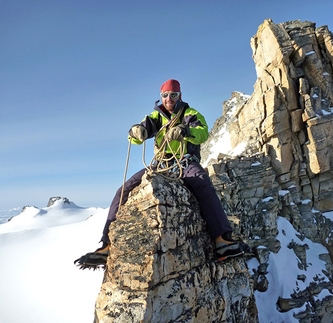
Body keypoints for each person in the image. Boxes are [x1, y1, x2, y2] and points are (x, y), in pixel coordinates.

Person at [74, 79, 248, 269]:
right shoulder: (155, 117)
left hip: (185, 160)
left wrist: (184, 130)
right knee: (123, 190)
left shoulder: (190, 114)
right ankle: (106, 245)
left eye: (173, 95)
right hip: (161, 163)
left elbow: (202, 133)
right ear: (161, 97)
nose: (168, 99)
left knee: (201, 182)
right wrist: (135, 132)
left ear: (179, 96)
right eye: (165, 95)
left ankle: (222, 239)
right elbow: (137, 135)